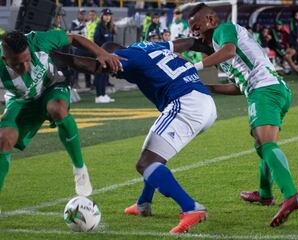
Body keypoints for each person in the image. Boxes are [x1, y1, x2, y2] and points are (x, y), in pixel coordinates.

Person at [51, 40, 217, 234]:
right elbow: (184, 42)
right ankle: (143, 204)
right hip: (202, 100)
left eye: (110, 64)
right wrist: (205, 46)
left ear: (113, 55)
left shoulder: (126, 57)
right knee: (153, 154)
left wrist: (53, 54)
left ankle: (191, 207)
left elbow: (89, 65)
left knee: (146, 164)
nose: (112, 71)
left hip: (185, 104)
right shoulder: (150, 45)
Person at [177, 3, 298, 227]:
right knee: (264, 145)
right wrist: (211, 87)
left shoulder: (223, 31)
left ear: (210, 20)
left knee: (266, 145)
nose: (194, 33)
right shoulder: (222, 46)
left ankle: (291, 195)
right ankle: (265, 194)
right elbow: (239, 86)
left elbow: (229, 51)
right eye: (191, 29)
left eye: (196, 26)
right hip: (273, 89)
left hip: (264, 90)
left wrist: (193, 68)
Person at [0, 30, 120, 197]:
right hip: (21, 99)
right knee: (4, 138)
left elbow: (75, 38)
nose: (25, 67)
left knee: (57, 108)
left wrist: (102, 53)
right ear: (5, 59)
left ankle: (80, 170)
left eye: (27, 60)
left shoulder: (38, 41)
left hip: (52, 86)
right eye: (18, 64)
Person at [94, 8, 116, 103]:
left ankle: (103, 94)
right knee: (100, 74)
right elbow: (96, 40)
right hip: (101, 54)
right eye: (106, 15)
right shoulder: (99, 26)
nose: (108, 17)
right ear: (102, 16)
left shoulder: (109, 27)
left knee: (105, 74)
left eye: (109, 15)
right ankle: (98, 96)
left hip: (108, 54)